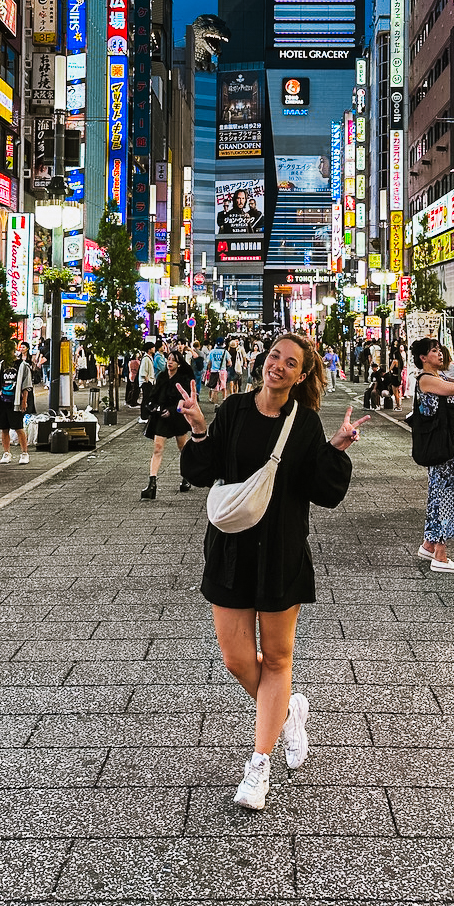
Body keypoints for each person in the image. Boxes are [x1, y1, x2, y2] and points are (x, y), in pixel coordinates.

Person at [177, 333, 368, 810]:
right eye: (274, 357)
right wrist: (200, 428)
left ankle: (259, 765)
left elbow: (323, 492)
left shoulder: (303, 423)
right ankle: (288, 712)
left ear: (301, 376)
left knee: (278, 658)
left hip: (281, 550)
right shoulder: (235, 410)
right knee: (237, 660)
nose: (277, 366)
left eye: (290, 363)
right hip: (231, 549)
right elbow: (205, 472)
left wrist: (338, 446)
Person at [412, 333, 454, 573]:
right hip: (444, 447)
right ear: (423, 358)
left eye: (439, 349)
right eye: (433, 351)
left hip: (450, 443)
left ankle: (429, 544)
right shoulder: (426, 379)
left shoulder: (438, 376)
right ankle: (440, 554)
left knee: (439, 494)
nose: (439, 354)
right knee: (447, 495)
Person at [139, 350, 196, 498]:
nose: (170, 362)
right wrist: (153, 406)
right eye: (168, 359)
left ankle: (187, 476)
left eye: (173, 360)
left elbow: (184, 397)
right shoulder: (162, 376)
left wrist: (172, 410)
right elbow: (154, 395)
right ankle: (152, 484)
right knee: (157, 448)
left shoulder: (183, 378)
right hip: (161, 416)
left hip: (177, 416)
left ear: (179, 363)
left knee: (182, 447)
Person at [0, 341, 33, 465]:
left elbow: (26, 385)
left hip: (16, 401)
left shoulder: (22, 365)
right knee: (4, 428)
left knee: (19, 427)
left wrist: (24, 400)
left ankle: (24, 453)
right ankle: (6, 452)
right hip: (2, 400)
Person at [138, 344, 156, 423]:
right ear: (149, 349)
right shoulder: (146, 359)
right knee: (145, 399)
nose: (154, 349)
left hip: (149, 381)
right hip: (146, 382)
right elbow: (143, 371)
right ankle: (143, 417)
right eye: (152, 348)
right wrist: (147, 380)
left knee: (148, 399)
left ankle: (146, 415)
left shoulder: (149, 358)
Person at [206, 338, 228, 403]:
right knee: (223, 387)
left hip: (214, 371)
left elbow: (209, 362)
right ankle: (224, 400)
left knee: (215, 389)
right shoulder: (225, 352)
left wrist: (209, 369)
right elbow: (230, 362)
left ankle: (216, 404)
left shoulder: (212, 352)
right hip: (222, 371)